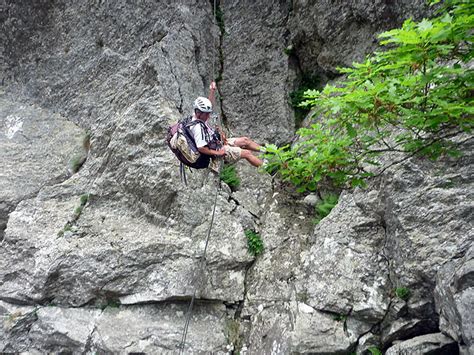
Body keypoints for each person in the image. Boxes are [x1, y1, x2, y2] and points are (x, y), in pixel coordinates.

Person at [189, 82, 263, 169]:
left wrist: (212, 91)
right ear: (199, 112)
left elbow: (209, 105)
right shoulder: (197, 127)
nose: (208, 116)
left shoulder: (198, 116)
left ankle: (269, 151)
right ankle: (269, 169)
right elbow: (201, 148)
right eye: (206, 114)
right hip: (216, 151)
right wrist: (218, 153)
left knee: (245, 141)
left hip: (217, 143)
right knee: (247, 153)